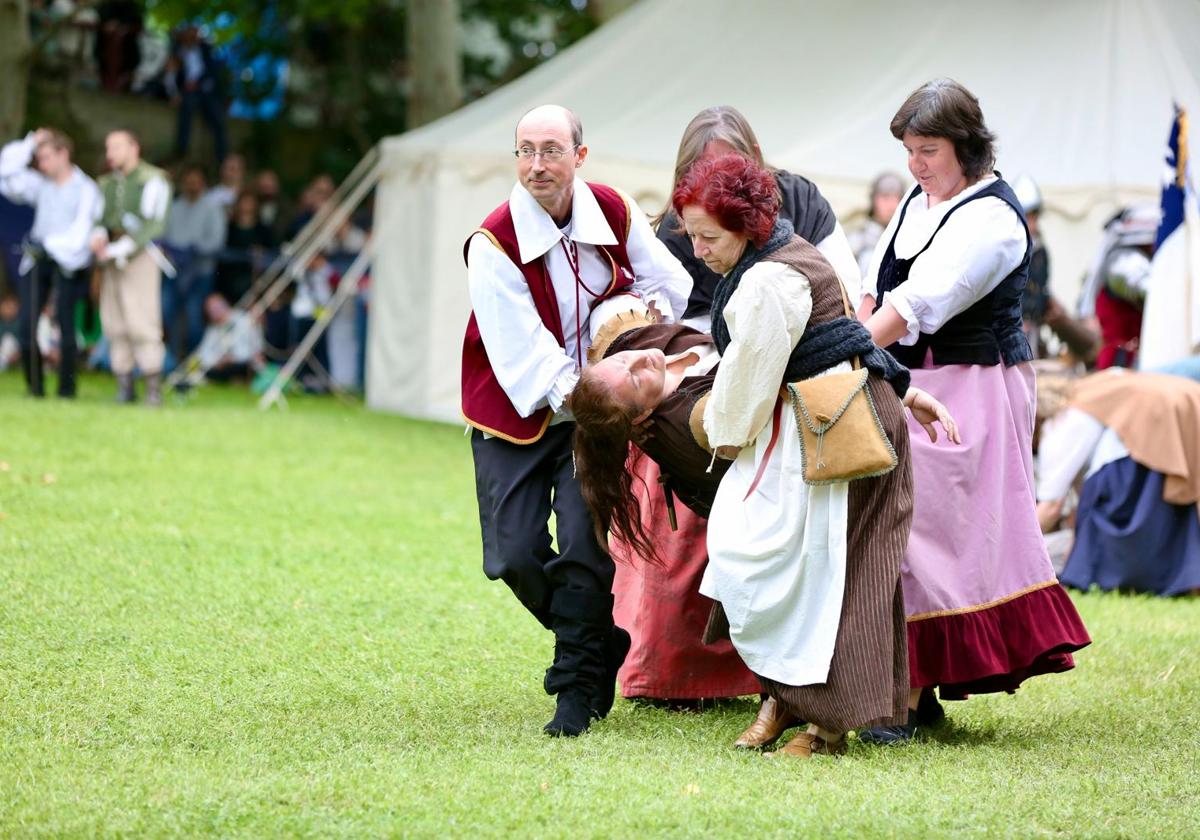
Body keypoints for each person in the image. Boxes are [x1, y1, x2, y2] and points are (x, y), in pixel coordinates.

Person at [572, 154, 954, 758]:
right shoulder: (771, 257)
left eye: (706, 236)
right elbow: (837, 339)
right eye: (692, 234)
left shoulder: (769, 280)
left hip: (836, 430)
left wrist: (712, 431)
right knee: (757, 556)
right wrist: (907, 389)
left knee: (833, 576)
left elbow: (744, 397)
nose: (697, 250)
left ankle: (825, 730)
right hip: (813, 420)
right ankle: (783, 700)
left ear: (745, 227)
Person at [857, 78, 1091, 743]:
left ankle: (902, 697)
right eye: (909, 150)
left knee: (932, 532)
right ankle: (912, 687)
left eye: (928, 150)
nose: (916, 165)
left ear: (966, 145)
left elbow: (918, 303)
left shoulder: (992, 219)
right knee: (899, 527)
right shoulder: (915, 198)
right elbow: (881, 290)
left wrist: (839, 356)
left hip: (973, 387)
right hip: (908, 379)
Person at [611, 105, 863, 719]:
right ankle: (679, 673)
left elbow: (842, 285)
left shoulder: (799, 199)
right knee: (685, 521)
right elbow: (662, 305)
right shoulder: (675, 221)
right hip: (705, 369)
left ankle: (790, 681)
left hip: (801, 372)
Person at [462, 104, 692, 737]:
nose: (538, 165)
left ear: (579, 157)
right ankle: (599, 640)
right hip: (518, 408)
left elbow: (668, 281)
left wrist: (627, 324)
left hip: (596, 411)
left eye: (552, 150)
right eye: (526, 150)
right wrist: (593, 391)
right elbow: (522, 357)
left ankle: (576, 687)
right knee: (512, 555)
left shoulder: (613, 211)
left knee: (588, 548)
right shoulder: (494, 241)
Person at [1037, 368, 1200, 596]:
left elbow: (1051, 505)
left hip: (1134, 463)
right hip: (1176, 429)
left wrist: (1008, 551)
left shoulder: (1068, 416)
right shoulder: (1103, 384)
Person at [0, 127, 102, 398]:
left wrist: (50, 245)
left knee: (66, 326)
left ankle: (66, 391)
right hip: (39, 259)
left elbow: (82, 230)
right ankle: (35, 388)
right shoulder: (40, 184)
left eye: (46, 157)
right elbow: (5, 171)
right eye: (39, 158)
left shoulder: (86, 188)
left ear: (63, 154)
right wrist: (31, 142)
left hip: (69, 261)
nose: (41, 164)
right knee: (27, 325)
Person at [90, 128, 172, 405]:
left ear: (133, 148)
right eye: (108, 148)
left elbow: (154, 223)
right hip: (112, 256)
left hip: (141, 255)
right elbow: (100, 218)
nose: (111, 154)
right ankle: (124, 387)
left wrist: (123, 247)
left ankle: (152, 389)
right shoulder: (107, 183)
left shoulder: (153, 180)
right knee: (114, 321)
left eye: (116, 147)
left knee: (142, 320)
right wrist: (101, 239)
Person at [163, 164, 227, 362]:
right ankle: (172, 359)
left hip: (200, 272)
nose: (191, 185)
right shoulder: (173, 207)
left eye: (195, 181)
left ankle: (193, 362)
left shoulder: (212, 209)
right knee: (166, 312)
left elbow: (216, 241)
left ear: (203, 183)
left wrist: (194, 249)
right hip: (174, 271)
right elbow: (164, 237)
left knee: (194, 319)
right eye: (188, 181)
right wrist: (174, 251)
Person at [165, 25, 228, 164]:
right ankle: (181, 149)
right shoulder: (177, 51)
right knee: (186, 108)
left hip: (206, 90)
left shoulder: (206, 50)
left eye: (193, 36)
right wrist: (176, 92)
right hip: (187, 92)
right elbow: (172, 74)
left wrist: (199, 83)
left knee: (217, 118)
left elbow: (214, 72)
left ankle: (222, 156)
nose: (191, 39)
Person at [217, 191, 274, 304]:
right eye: (244, 202)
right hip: (230, 278)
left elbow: (271, 252)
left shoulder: (263, 229)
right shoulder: (228, 228)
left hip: (253, 278)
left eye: (250, 202)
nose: (247, 206)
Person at [847, 172, 906, 278]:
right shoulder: (857, 236)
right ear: (874, 200)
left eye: (896, 198)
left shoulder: (911, 234)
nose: (892, 205)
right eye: (885, 197)